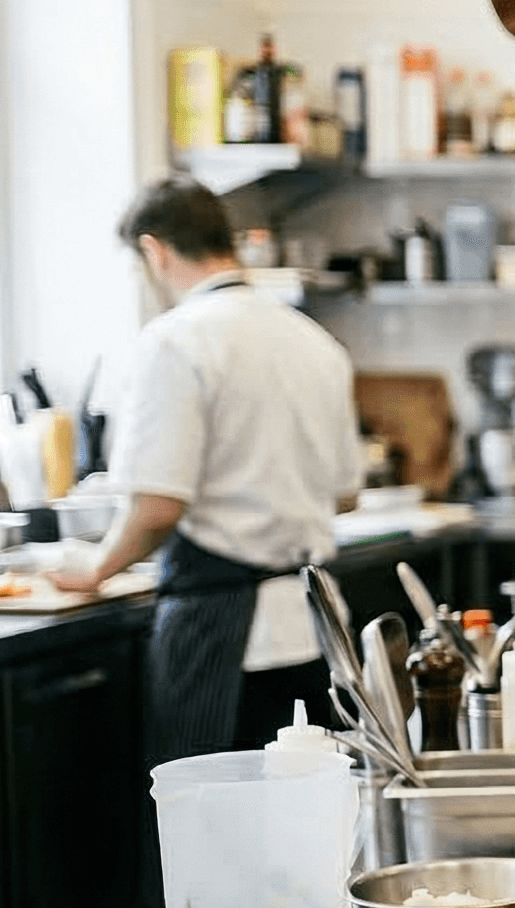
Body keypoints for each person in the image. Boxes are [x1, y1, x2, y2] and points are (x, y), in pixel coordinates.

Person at [56, 177, 364, 765]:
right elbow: (344, 495)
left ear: (155, 251)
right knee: (306, 824)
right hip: (314, 628)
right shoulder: (315, 341)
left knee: (211, 829)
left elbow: (156, 508)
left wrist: (96, 567)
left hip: (224, 634)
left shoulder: (174, 342)